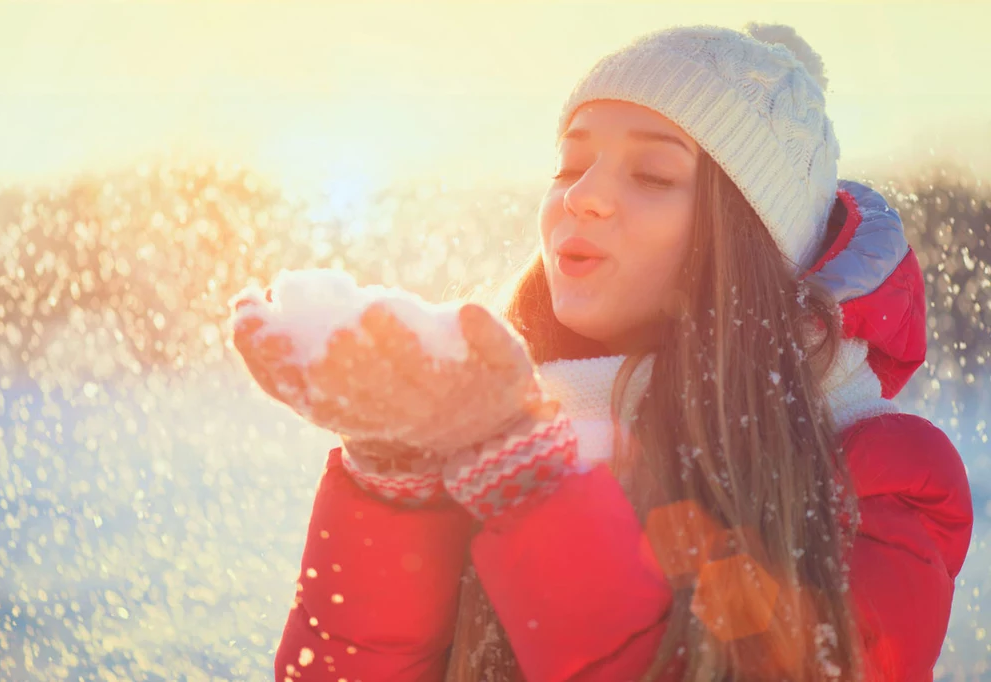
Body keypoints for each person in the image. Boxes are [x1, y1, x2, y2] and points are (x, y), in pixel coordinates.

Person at [232, 22, 973, 682]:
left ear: (749, 245)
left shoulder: (881, 477)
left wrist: (530, 483)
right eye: (568, 165)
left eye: (651, 174)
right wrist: (392, 470)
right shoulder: (488, 426)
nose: (582, 197)